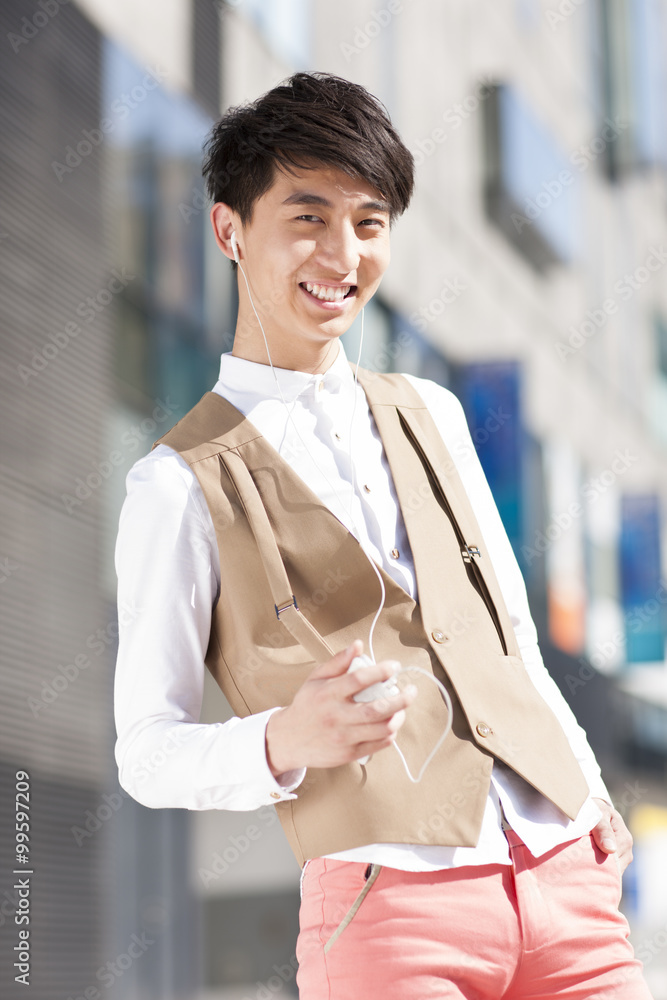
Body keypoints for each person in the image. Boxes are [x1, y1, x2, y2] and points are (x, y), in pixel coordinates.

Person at [113, 71, 652, 999]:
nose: (343, 252)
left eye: (369, 223)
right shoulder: (177, 483)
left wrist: (592, 795)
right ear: (229, 229)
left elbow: (509, 638)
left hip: (565, 880)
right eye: (309, 217)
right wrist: (284, 737)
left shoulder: (432, 411)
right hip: (390, 909)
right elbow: (145, 752)